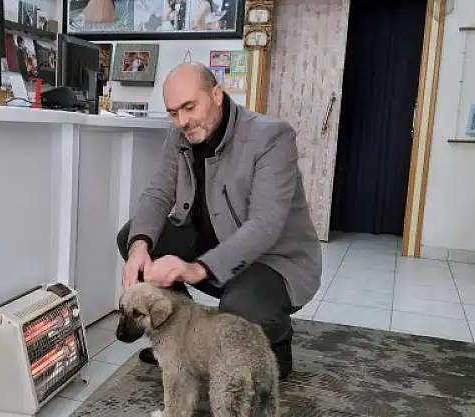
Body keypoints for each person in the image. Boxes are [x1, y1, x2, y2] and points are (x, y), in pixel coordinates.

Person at [116, 62, 322, 380]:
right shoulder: (179, 135)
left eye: (189, 107)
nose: (182, 121)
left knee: (238, 310)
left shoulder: (271, 137)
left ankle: (278, 338)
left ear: (216, 95)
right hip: (211, 243)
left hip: (273, 261)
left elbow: (265, 224)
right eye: (173, 113)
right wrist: (138, 248)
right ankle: (181, 340)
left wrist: (196, 269)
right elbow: (158, 194)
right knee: (133, 235)